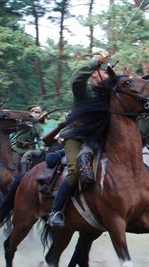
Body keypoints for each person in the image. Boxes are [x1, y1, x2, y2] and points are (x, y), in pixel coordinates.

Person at [46, 50, 113, 227]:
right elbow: (76, 79)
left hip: (98, 140)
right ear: (94, 74)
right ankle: (55, 212)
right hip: (77, 138)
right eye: (105, 71)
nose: (108, 75)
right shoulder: (84, 91)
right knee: (75, 171)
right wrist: (95, 62)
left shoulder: (109, 96)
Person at [10, 105, 45, 174]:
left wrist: (41, 146)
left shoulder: (39, 127)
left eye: (37, 112)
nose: (34, 113)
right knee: (14, 166)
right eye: (32, 111)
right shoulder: (21, 121)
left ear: (40, 115)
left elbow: (40, 139)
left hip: (29, 150)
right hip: (16, 148)